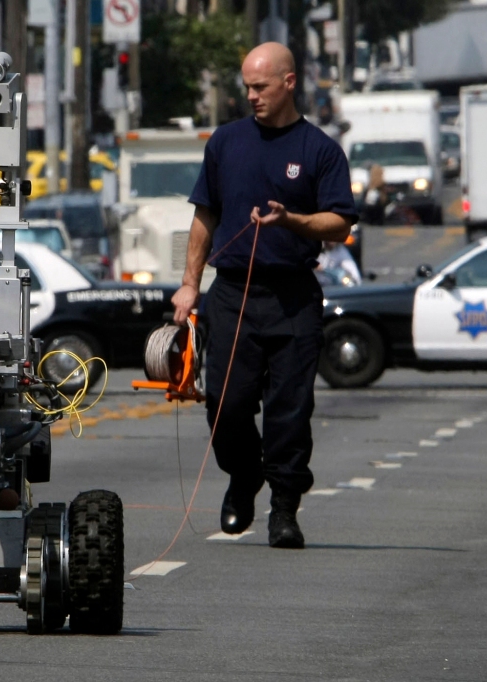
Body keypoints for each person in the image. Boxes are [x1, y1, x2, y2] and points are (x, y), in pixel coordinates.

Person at [171, 42, 358, 549]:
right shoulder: (226, 143)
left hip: (293, 295)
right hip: (232, 293)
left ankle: (283, 507)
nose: (251, 96)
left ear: (289, 83)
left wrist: (292, 219)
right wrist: (190, 283)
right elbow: (204, 217)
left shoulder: (319, 149)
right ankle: (243, 475)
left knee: (289, 410)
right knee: (226, 407)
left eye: (261, 87)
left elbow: (339, 224)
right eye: (247, 87)